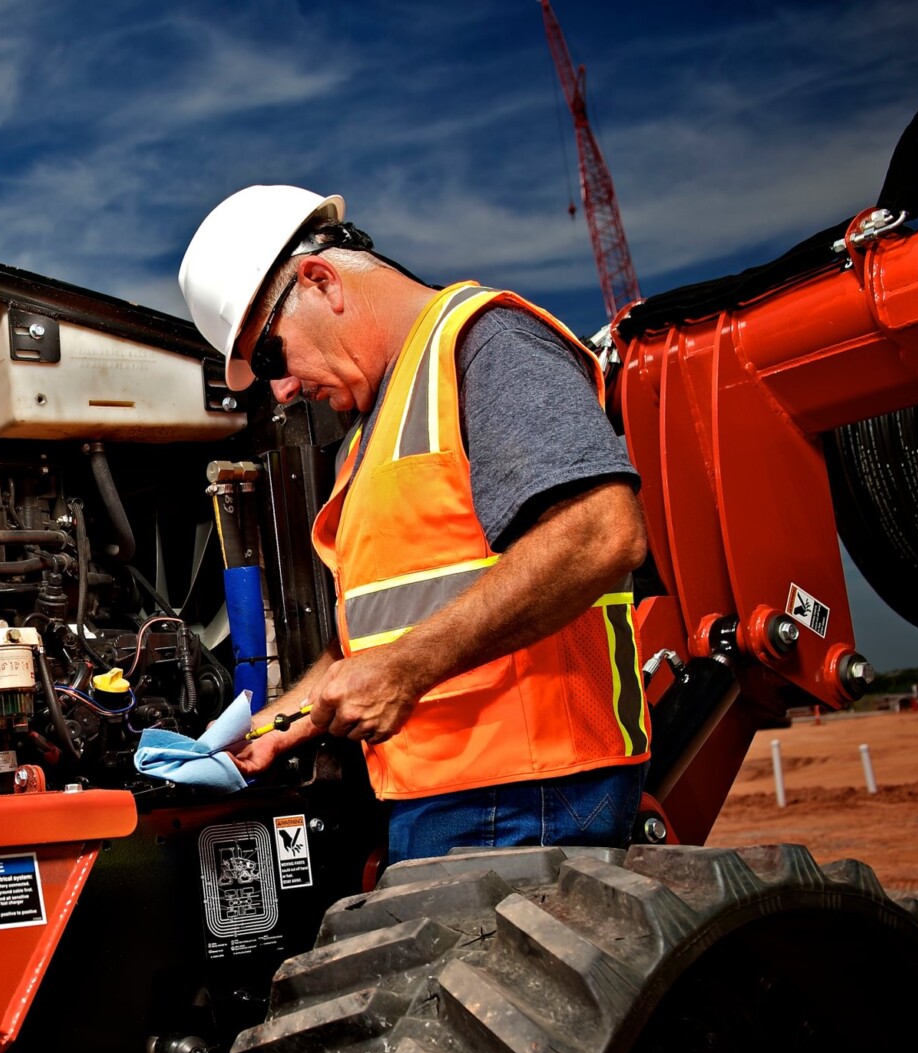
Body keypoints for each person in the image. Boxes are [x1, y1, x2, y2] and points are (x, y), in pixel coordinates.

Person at [178, 186, 651, 861]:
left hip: (531, 795)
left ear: (320, 281)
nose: (279, 391)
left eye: (273, 357)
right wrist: (274, 725)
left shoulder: (485, 342)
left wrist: (405, 668)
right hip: (449, 797)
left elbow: (601, 531)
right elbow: (371, 645)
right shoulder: (371, 436)